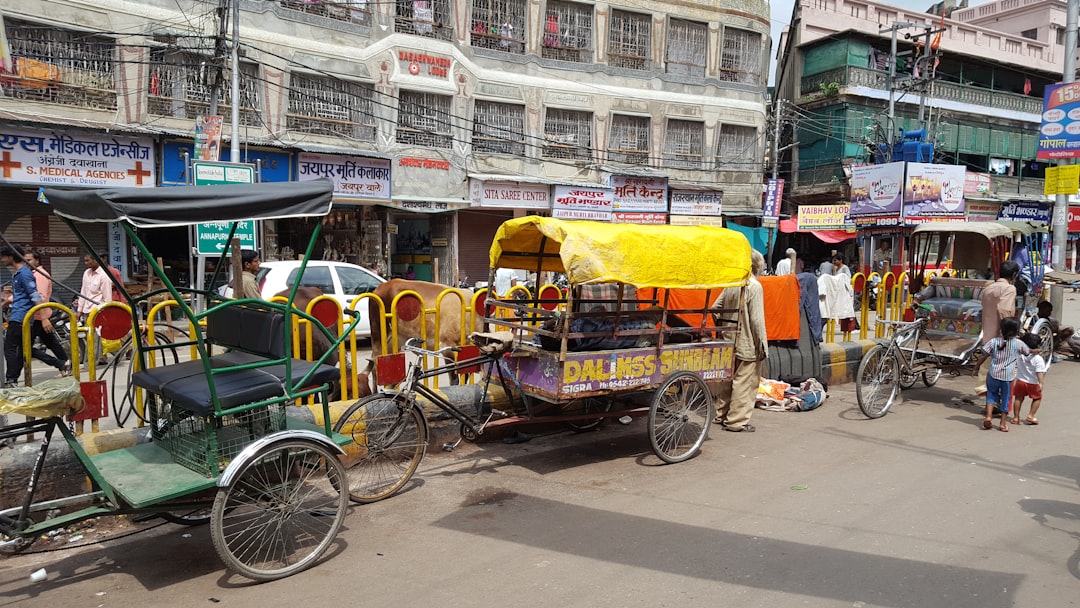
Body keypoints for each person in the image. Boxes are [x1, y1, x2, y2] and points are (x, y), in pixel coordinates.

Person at [710, 249, 768, 433]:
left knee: (728, 381)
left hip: (729, 339)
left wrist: (724, 327)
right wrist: (762, 344)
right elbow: (757, 320)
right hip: (747, 342)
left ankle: (721, 415)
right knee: (745, 382)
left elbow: (714, 308)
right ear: (757, 265)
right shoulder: (754, 286)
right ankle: (736, 421)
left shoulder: (732, 283)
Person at [1, 245, 44, 387]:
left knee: (11, 348)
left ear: (11, 257)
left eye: (3, 257)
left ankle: (11, 379)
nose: (2, 260)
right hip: (18, 314)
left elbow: (34, 295)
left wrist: (43, 318)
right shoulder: (18, 273)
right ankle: (12, 379)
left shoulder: (25, 273)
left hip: (21, 317)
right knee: (21, 349)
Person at [24, 250, 71, 376]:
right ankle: (65, 364)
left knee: (24, 348)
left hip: (38, 316)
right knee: (51, 343)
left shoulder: (39, 275)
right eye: (25, 260)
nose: (26, 262)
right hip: (37, 316)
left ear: (37, 260)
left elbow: (41, 297)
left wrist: (44, 318)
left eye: (29, 260)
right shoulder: (32, 274)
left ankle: (60, 363)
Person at [976, 260, 1019, 395]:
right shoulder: (1009, 289)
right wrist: (1009, 331)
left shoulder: (988, 288)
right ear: (1013, 274)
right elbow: (1004, 310)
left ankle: (985, 391)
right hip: (1002, 333)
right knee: (1003, 368)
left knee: (988, 364)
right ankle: (996, 398)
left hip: (987, 332)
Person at [979, 316, 1027, 432]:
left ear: (1001, 329)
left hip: (993, 373)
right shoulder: (1018, 343)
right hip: (1008, 377)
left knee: (991, 395)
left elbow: (983, 353)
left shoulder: (994, 341)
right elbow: (1026, 352)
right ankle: (1002, 423)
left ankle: (988, 416)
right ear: (1016, 331)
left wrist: (976, 367)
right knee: (1006, 399)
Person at [76, 253, 113, 366]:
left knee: (95, 338)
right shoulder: (86, 273)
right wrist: (79, 310)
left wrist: (107, 312)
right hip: (87, 310)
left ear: (96, 261)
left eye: (88, 261)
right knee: (93, 336)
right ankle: (119, 352)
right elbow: (83, 292)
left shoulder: (104, 276)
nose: (86, 263)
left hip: (98, 311)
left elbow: (107, 297)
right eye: (85, 261)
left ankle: (90, 363)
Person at [1011, 332, 1048, 426]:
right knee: (1037, 398)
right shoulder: (1038, 359)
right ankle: (1031, 415)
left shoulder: (1020, 354)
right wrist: (1041, 383)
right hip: (1033, 382)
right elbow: (1039, 372)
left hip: (1020, 381)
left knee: (1018, 398)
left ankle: (1016, 418)